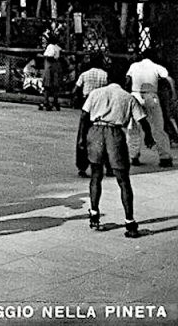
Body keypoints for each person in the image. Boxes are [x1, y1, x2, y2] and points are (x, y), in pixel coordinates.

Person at [78, 68, 155, 237]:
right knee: (123, 180)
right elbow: (142, 120)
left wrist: (82, 139)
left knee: (96, 176)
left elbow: (84, 116)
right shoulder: (128, 98)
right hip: (115, 135)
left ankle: (94, 215)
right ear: (125, 81)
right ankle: (130, 223)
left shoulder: (95, 93)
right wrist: (148, 137)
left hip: (95, 132)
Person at [126, 50, 173, 167]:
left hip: (135, 95)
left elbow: (127, 80)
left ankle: (134, 156)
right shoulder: (156, 67)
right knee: (158, 126)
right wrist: (173, 93)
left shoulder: (134, 66)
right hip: (151, 96)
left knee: (134, 127)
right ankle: (164, 156)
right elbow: (169, 79)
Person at [73, 55, 108, 177]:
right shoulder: (105, 74)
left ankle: (82, 166)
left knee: (83, 134)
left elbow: (75, 89)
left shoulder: (84, 74)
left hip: (87, 103)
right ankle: (108, 165)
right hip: (101, 104)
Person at [40, 35, 63, 111]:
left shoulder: (50, 46)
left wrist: (43, 56)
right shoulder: (57, 47)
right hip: (56, 68)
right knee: (55, 86)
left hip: (49, 68)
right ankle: (55, 101)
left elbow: (49, 55)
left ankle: (46, 101)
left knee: (47, 86)